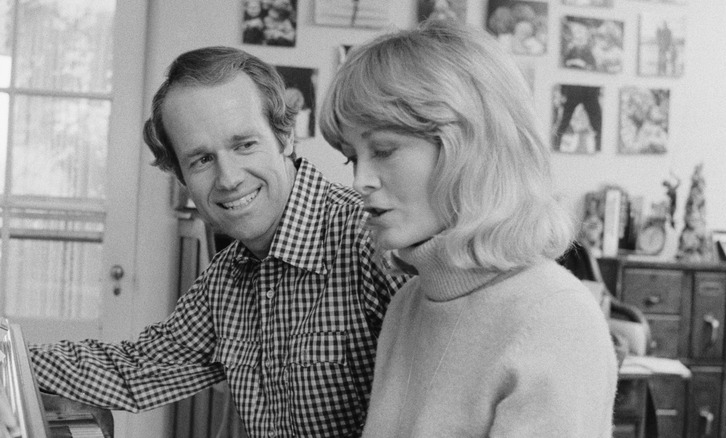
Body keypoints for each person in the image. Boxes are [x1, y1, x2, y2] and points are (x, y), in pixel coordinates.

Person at [11, 47, 407, 438]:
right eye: (201, 159)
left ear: (284, 136)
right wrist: (8, 360)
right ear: (180, 175)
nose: (229, 178)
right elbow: (137, 369)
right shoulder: (227, 278)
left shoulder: (372, 239)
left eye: (244, 144)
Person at [320, 20, 617, 437]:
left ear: (470, 150)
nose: (359, 181)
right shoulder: (409, 302)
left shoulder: (555, 319)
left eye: (384, 150)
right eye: (352, 157)